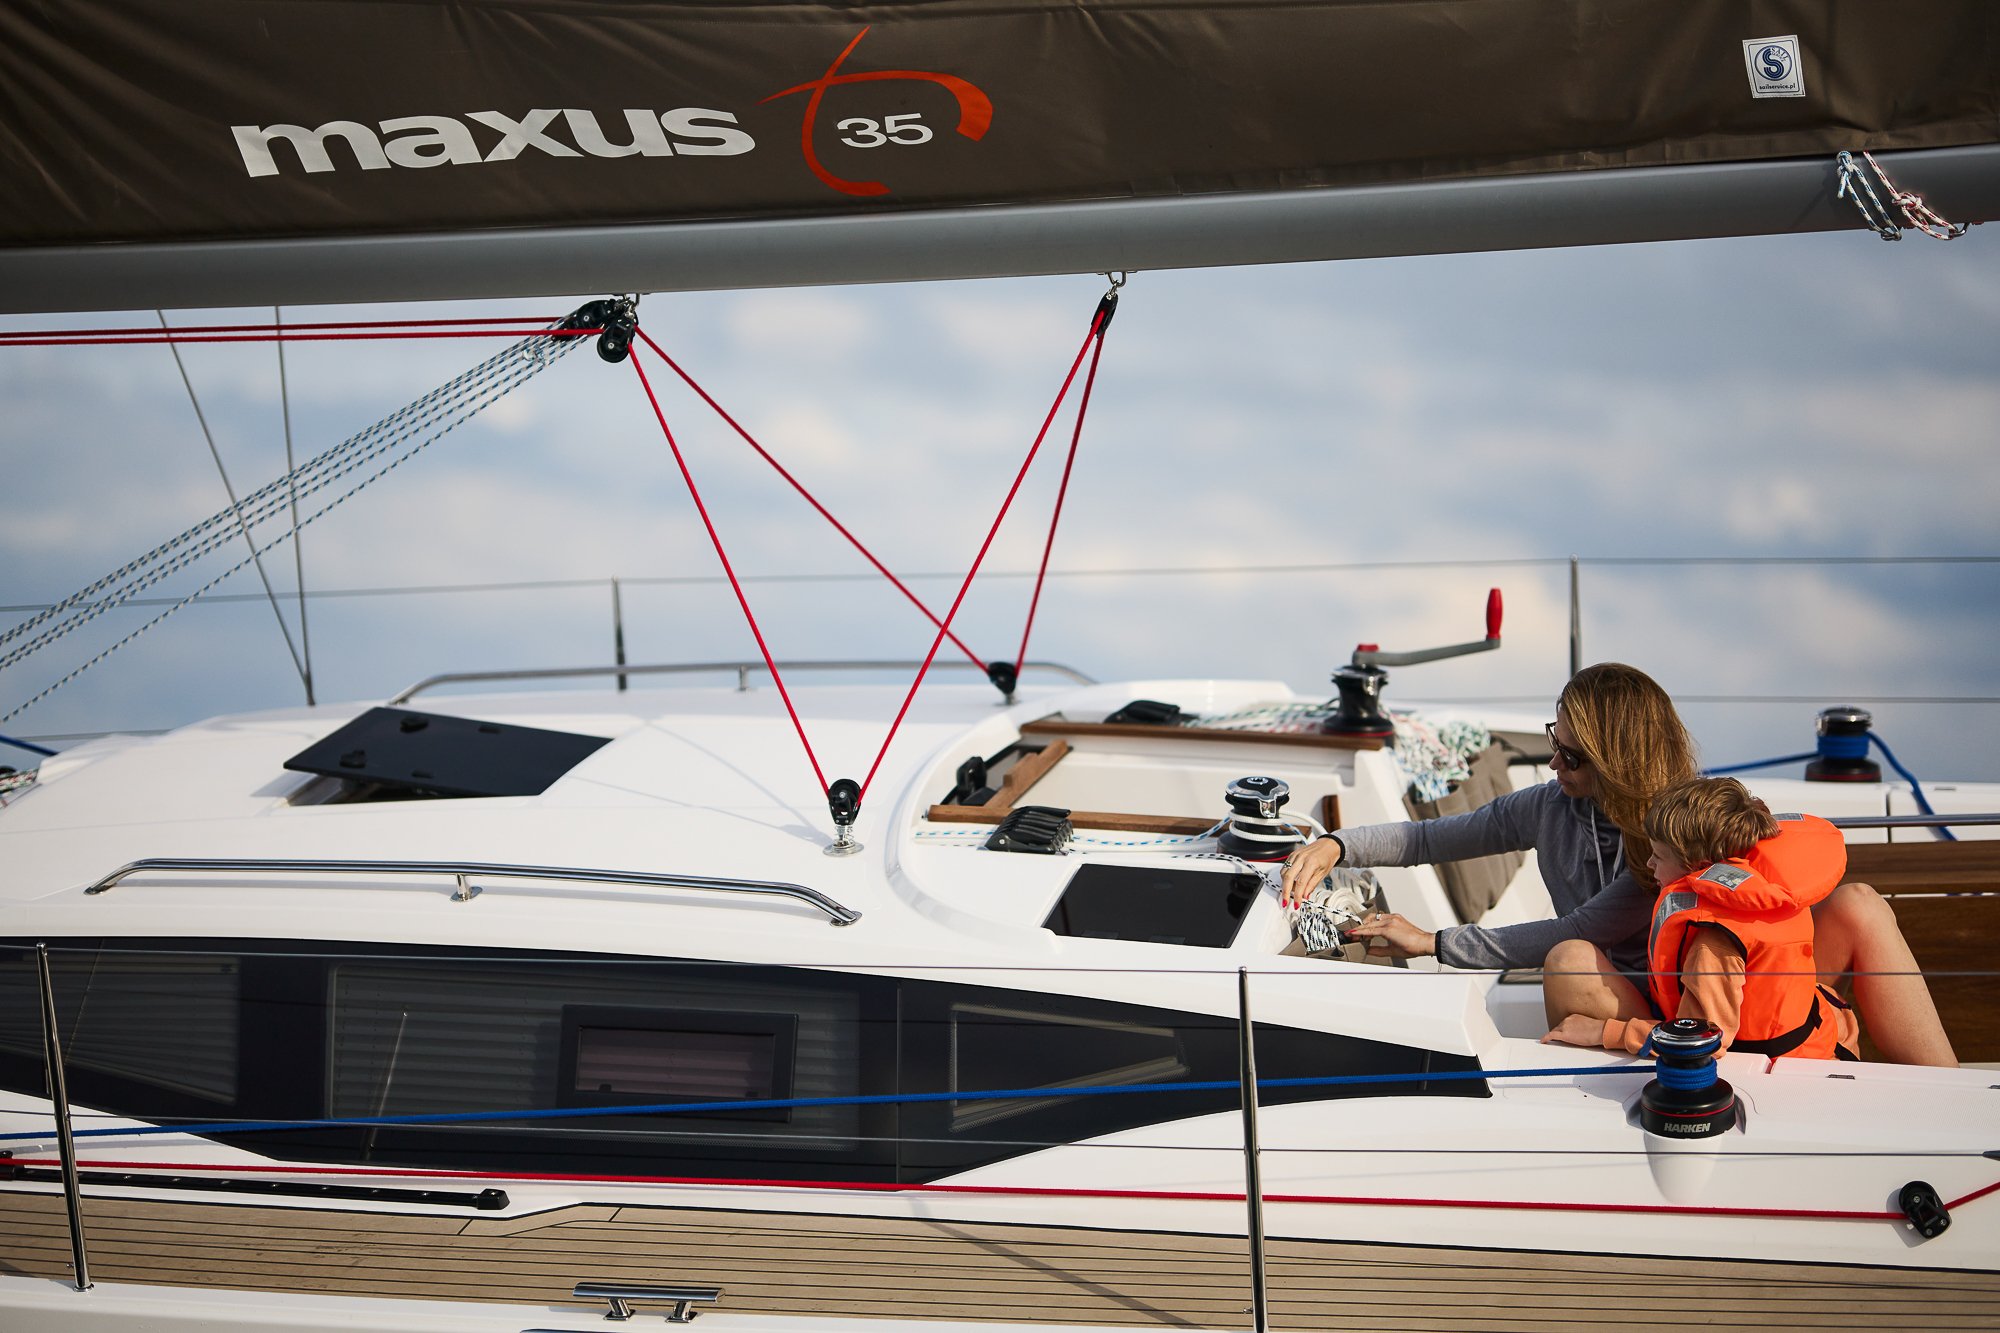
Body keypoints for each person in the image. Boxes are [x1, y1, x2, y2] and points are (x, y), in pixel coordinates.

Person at [1277, 662, 1957, 1066]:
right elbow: (1436, 837)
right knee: (1571, 956)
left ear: (1616, 761)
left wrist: (1433, 943)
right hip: (1653, 995)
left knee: (1859, 903)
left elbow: (1578, 929)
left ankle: (1950, 1091)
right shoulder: (1548, 804)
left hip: (1710, 995)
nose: (1553, 762)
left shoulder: (1668, 836)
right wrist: (1338, 845)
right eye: (1556, 740)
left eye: (1572, 755)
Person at [1540, 776, 1860, 1059]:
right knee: (1569, 957)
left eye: (1658, 855)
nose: (1649, 864)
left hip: (1754, 1063)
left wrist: (1602, 1031)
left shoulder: (1713, 944)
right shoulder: (1768, 891)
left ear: (1700, 865)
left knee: (1568, 972)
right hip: (1808, 1032)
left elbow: (1703, 1041)